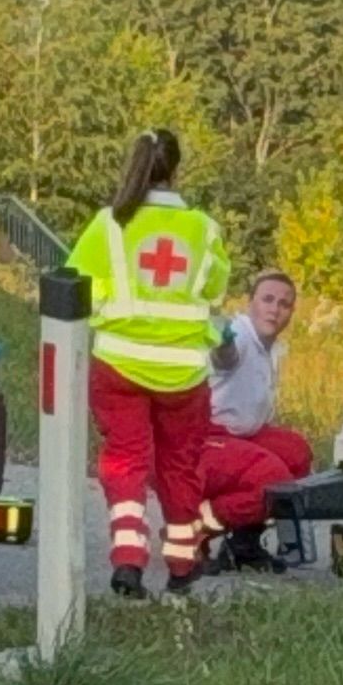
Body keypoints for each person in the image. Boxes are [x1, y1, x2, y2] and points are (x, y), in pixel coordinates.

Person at [67, 129, 231, 598]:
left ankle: (128, 560)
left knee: (125, 463)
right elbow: (214, 291)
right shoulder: (204, 228)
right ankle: (182, 564)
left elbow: (76, 284)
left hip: (118, 364)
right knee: (180, 464)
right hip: (184, 372)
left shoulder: (108, 224)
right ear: (176, 169)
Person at [202, 270, 313, 570]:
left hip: (239, 436)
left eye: (284, 303)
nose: (274, 309)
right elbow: (225, 358)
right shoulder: (239, 335)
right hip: (202, 441)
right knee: (274, 479)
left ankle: (243, 545)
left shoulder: (271, 348)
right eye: (267, 299)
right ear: (250, 304)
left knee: (297, 453)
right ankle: (193, 528)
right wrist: (221, 341)